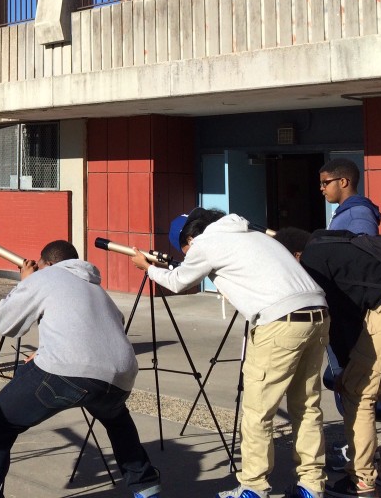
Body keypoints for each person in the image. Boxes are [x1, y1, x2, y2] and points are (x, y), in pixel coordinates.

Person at [130, 209, 329, 498]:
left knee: (257, 411)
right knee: (307, 406)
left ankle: (254, 486)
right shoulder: (253, 236)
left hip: (278, 323)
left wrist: (147, 268)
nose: (187, 256)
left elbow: (177, 282)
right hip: (317, 314)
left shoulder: (206, 243)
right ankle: (312, 485)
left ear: (190, 238)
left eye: (184, 251)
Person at [0, 240, 161, 498]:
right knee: (117, 421)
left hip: (67, 372)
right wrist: (44, 349)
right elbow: (105, 327)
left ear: (47, 263)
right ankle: (146, 486)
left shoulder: (45, 277)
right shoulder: (96, 288)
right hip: (120, 375)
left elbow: (7, 325)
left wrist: (25, 282)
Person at [283, 228, 381, 498]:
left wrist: (346, 370)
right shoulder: (342, 244)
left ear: (295, 254)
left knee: (358, 393)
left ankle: (362, 481)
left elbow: (341, 318)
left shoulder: (313, 258)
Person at [318, 158, 381, 235]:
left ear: (343, 182)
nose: (321, 188)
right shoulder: (346, 211)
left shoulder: (358, 215)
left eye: (325, 183)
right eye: (321, 184)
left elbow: (363, 246)